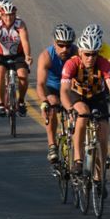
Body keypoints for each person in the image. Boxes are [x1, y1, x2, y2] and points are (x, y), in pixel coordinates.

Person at [60, 32, 110, 182]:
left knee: (103, 132)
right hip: (77, 95)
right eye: (87, 54)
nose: (91, 58)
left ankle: (100, 175)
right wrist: (69, 109)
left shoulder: (103, 64)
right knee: (83, 114)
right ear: (80, 52)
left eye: (94, 54)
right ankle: (78, 160)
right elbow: (63, 91)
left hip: (97, 96)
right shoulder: (71, 63)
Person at [36, 23, 77, 163]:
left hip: (70, 88)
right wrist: (44, 101)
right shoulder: (46, 56)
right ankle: (52, 145)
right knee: (52, 103)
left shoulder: (77, 53)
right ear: (54, 43)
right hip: (52, 87)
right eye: (61, 45)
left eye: (68, 45)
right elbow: (40, 85)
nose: (65, 49)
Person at [0, 0, 32, 117]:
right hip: (1, 55)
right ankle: (1, 104)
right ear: (1, 15)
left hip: (17, 54)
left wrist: (27, 56)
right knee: (0, 75)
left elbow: (25, 42)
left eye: (11, 15)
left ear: (15, 14)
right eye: (6, 15)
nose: (9, 18)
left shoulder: (20, 24)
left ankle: (21, 101)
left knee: (23, 75)